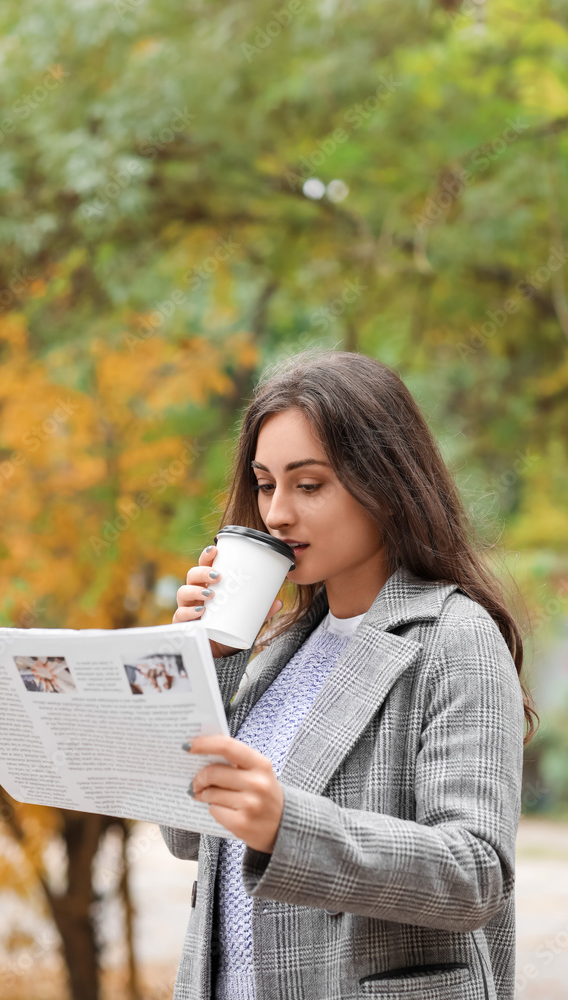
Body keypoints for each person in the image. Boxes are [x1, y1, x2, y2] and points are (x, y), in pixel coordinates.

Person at [160, 349, 537, 1000]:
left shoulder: (454, 638)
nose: (276, 513)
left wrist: (289, 828)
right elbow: (187, 836)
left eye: (308, 484)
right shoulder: (279, 648)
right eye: (264, 482)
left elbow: (475, 872)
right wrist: (208, 662)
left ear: (385, 483)